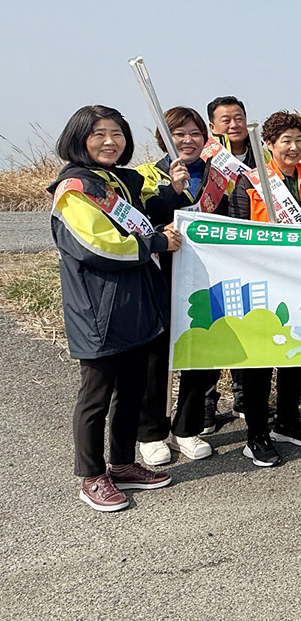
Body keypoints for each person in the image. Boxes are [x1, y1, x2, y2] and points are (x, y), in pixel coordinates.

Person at [49, 105, 179, 511]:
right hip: (98, 309)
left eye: (117, 134)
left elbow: (149, 211)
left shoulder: (119, 180)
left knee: (132, 390)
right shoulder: (75, 188)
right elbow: (99, 246)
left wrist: (174, 191)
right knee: (96, 396)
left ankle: (122, 464)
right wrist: (155, 243)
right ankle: (92, 476)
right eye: (99, 134)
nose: (110, 142)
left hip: (136, 303)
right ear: (79, 138)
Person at [230, 111, 301, 467]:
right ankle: (255, 435)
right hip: (263, 281)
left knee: (297, 351)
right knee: (261, 359)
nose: (293, 147)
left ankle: (287, 421)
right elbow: (236, 230)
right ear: (269, 144)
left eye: (298, 140)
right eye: (285, 141)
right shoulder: (251, 182)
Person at [134, 106, 219, 465]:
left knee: (201, 347)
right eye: (179, 134)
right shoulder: (145, 174)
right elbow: (141, 216)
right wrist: (174, 190)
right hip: (162, 274)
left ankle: (187, 428)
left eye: (195, 133)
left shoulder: (219, 176)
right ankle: (150, 432)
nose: (188, 140)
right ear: (164, 138)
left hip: (208, 275)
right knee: (156, 353)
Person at [204, 95, 255, 430]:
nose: (234, 124)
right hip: (212, 253)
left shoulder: (262, 156)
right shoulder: (205, 157)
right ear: (212, 126)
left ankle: (243, 397)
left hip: (250, 253)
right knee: (211, 324)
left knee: (244, 321)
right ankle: (206, 401)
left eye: (239, 118)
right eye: (226, 119)